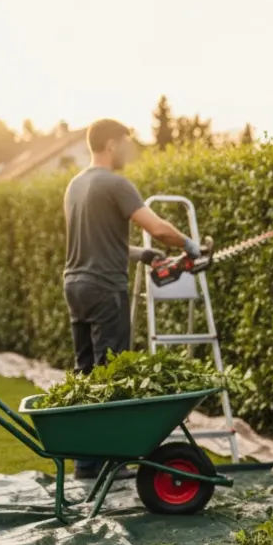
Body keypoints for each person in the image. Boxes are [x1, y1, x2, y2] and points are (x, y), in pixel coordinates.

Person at [63, 118, 200, 480]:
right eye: (125, 141)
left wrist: (142, 255)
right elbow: (157, 228)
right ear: (111, 144)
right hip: (105, 288)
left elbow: (104, 243)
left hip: (75, 286)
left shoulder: (76, 186)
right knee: (112, 374)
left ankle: (85, 463)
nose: (129, 148)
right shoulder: (116, 183)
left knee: (86, 373)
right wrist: (189, 244)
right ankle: (111, 461)